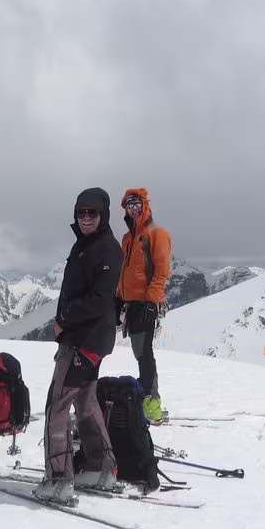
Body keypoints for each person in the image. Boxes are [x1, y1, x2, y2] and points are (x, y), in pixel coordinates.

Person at [36, 188, 123, 503]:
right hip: (90, 340)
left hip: (83, 339)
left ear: (103, 215)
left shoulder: (107, 249)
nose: (86, 217)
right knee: (86, 404)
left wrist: (65, 319)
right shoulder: (85, 245)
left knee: (56, 405)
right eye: (81, 212)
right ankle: (102, 468)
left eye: (92, 212)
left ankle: (59, 478)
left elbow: (100, 300)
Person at [116, 187, 172, 424]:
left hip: (146, 305)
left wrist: (151, 301)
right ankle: (148, 400)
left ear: (145, 205)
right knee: (141, 352)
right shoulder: (128, 239)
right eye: (129, 205)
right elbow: (124, 272)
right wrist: (119, 298)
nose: (133, 208)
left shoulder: (157, 234)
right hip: (131, 304)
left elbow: (162, 271)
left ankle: (151, 404)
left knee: (143, 353)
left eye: (137, 203)